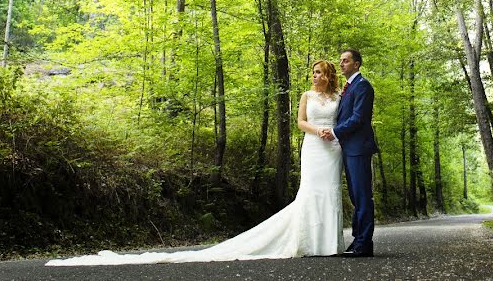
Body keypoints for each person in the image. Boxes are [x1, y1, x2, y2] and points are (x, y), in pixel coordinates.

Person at [46, 60, 345, 266]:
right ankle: (307, 242)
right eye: (313, 72)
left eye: (319, 72)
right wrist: (318, 130)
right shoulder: (306, 95)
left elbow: (343, 119)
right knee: (309, 192)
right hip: (313, 147)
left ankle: (330, 244)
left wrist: (333, 129)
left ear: (329, 75)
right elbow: (299, 123)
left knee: (329, 192)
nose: (315, 76)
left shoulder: (338, 95)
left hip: (332, 150)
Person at [319, 49, 377, 257]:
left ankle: (364, 243)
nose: (341, 64)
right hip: (349, 148)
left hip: (359, 148)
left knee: (362, 196)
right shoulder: (348, 87)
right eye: (341, 60)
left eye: (346, 60)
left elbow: (358, 118)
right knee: (355, 196)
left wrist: (334, 132)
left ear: (357, 64)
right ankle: (358, 241)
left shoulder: (363, 86)